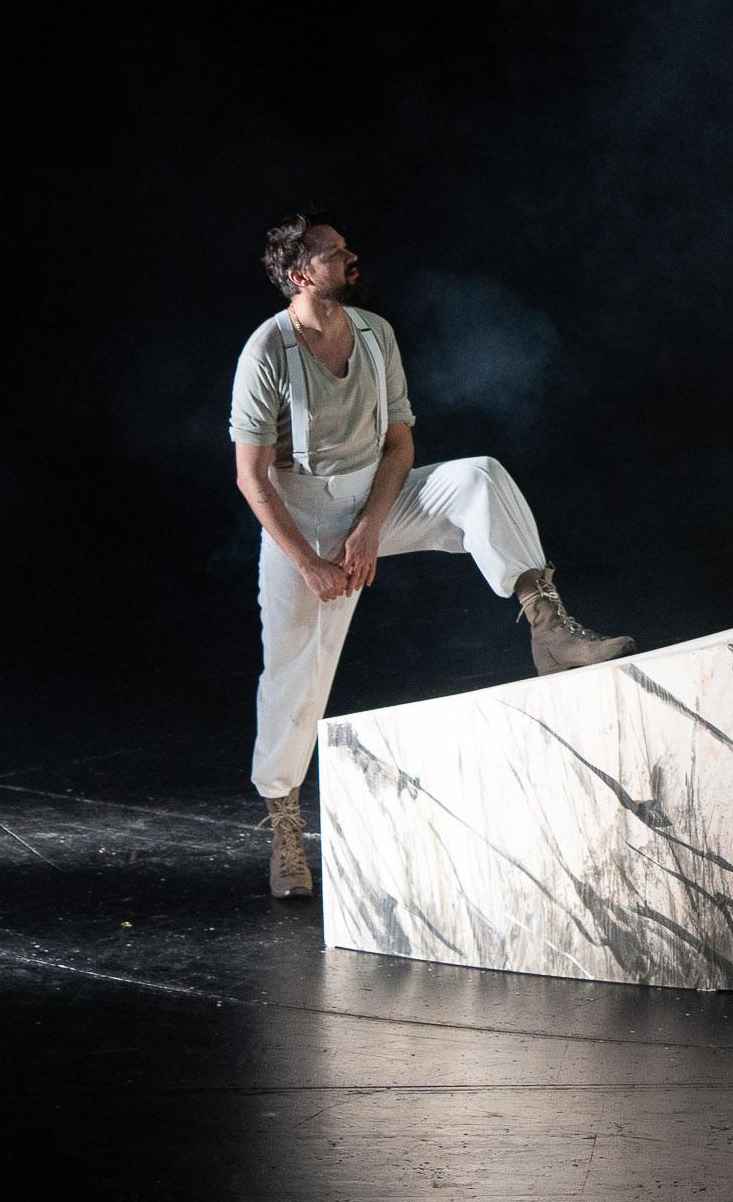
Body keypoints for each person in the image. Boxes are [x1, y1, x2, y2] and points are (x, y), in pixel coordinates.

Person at [233, 214, 632, 900]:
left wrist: (371, 527)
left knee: (477, 476)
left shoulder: (374, 333)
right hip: (300, 524)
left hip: (373, 503)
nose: (351, 257)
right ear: (301, 275)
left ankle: (548, 627)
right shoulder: (266, 351)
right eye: (334, 253)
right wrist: (309, 560)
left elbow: (400, 445)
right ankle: (284, 818)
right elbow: (253, 477)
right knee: (295, 677)